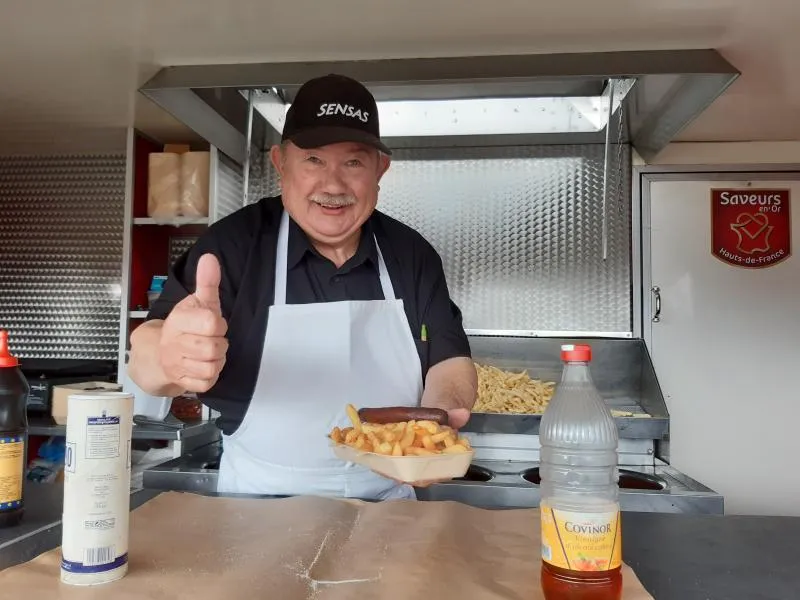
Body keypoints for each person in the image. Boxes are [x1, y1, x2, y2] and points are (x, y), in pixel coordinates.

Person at [127, 73, 478, 500]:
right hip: (257, 508)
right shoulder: (234, 245)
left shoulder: (410, 253)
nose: (333, 185)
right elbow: (148, 351)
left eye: (353, 162)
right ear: (280, 163)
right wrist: (168, 359)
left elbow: (449, 361)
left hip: (388, 508)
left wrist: (432, 430)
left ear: (379, 169)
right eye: (313, 159)